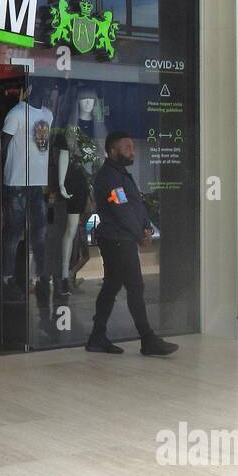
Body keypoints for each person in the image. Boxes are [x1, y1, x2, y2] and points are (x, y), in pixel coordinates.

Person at [85, 131, 177, 357]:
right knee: (134, 287)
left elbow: (135, 204)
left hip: (123, 238)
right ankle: (147, 338)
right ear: (113, 150)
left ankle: (97, 336)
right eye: (126, 148)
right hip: (117, 240)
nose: (131, 151)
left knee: (111, 286)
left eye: (132, 147)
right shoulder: (108, 177)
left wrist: (145, 226)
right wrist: (139, 234)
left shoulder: (122, 174)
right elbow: (121, 208)